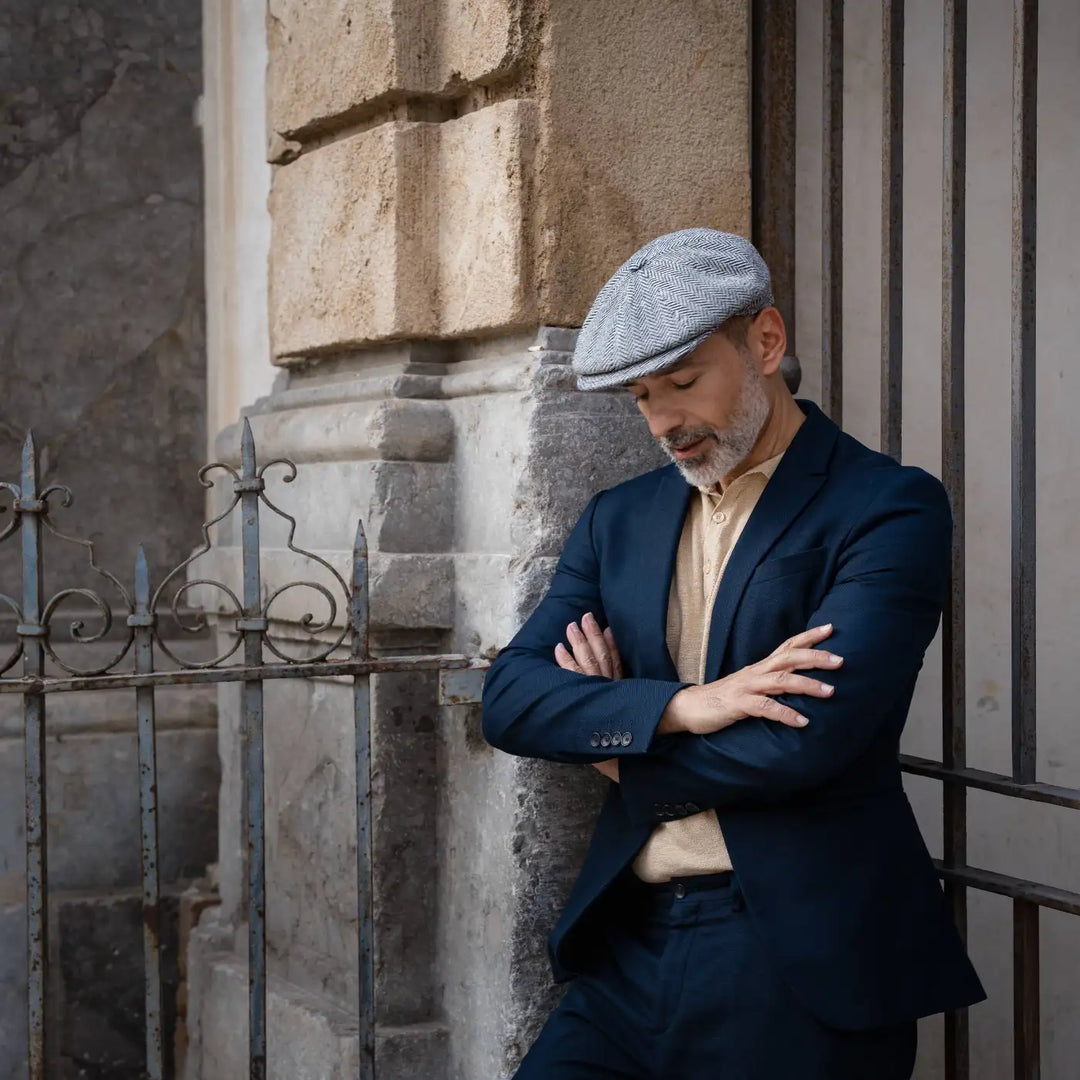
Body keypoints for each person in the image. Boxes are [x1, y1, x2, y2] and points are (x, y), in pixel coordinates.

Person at [481, 229, 985, 1079]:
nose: (663, 421)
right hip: (625, 945)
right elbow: (511, 698)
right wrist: (682, 706)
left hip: (795, 956)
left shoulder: (887, 509)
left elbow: (802, 741)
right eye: (641, 397)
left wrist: (612, 754)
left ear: (765, 342)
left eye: (682, 383)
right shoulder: (620, 518)